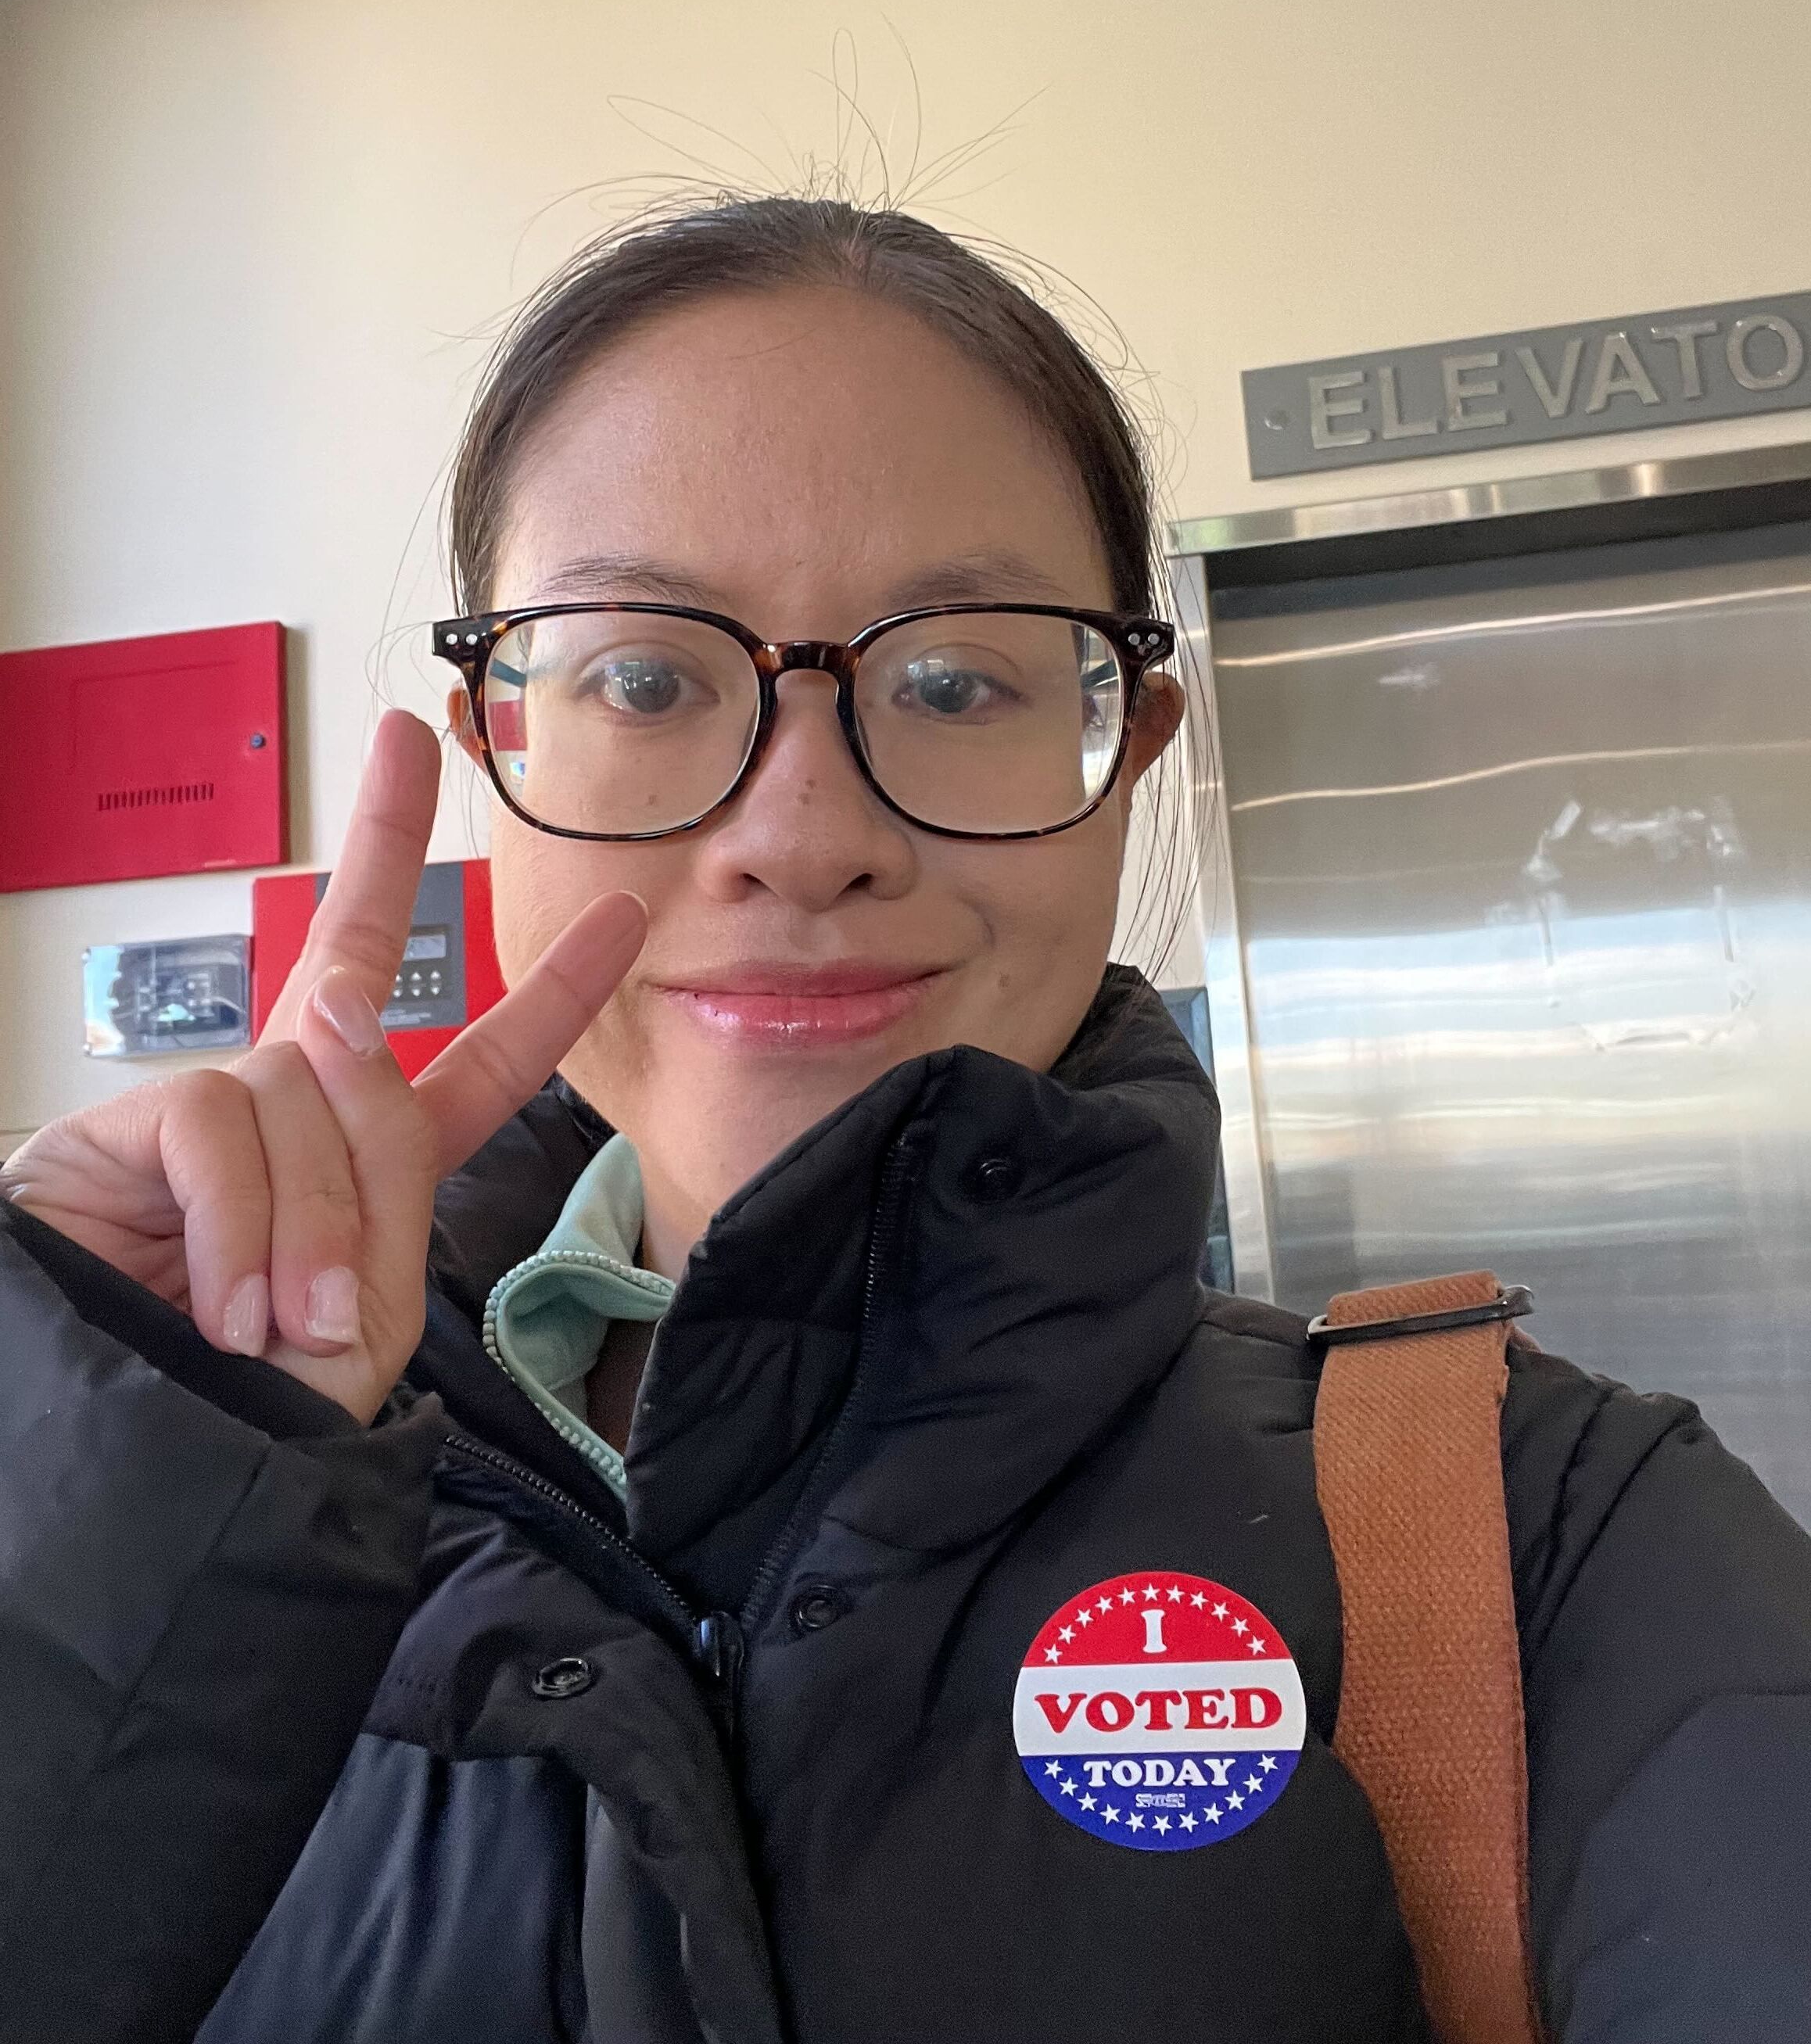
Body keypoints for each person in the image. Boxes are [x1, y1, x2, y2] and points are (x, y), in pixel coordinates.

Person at [2, 198, 1808, 2044]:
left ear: (1132, 748)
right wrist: (94, 1493)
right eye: (642, 676)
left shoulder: (1542, 1534)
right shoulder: (201, 1488)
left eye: (954, 680)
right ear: (494, 753)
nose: (798, 830)